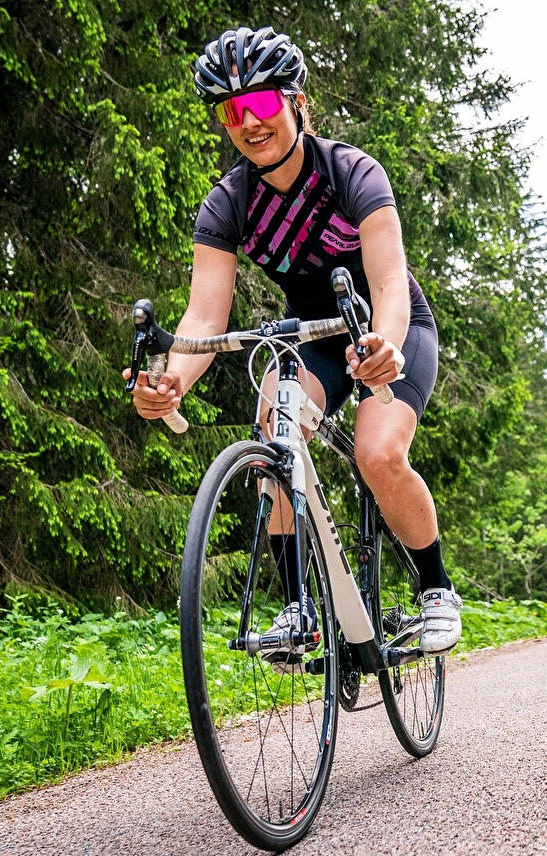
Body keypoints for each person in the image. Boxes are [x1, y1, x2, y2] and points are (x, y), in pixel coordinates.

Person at [128, 26, 461, 654]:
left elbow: (390, 283)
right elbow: (204, 318)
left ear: (297, 102)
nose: (249, 122)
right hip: (313, 332)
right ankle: (298, 608)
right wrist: (172, 382)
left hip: (392, 326)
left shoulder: (351, 173)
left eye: (260, 104)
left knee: (380, 454)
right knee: (273, 421)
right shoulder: (228, 204)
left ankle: (436, 588)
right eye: (232, 111)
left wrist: (383, 347)